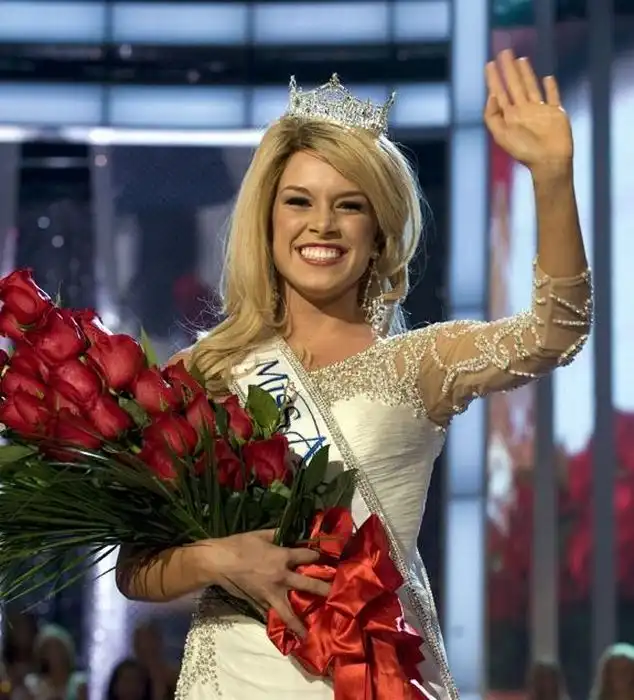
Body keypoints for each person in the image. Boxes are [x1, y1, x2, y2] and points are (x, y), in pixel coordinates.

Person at [116, 49, 592, 700]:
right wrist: (220, 558)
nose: (322, 224)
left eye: (349, 205)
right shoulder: (206, 370)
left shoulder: (423, 363)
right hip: (232, 676)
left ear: (379, 232)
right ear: (267, 219)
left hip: (369, 680)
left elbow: (556, 332)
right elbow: (136, 568)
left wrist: (552, 177)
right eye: (299, 201)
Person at [23, 625, 87, 700]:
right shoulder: (33, 684)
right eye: (48, 649)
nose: (53, 654)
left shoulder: (79, 684)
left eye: (57, 648)